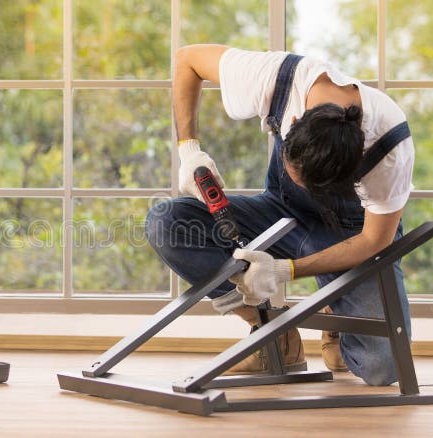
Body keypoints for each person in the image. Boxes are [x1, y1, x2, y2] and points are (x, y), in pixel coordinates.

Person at [145, 44, 414, 386]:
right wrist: (189, 151)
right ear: (295, 121)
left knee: (383, 367)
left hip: (352, 235)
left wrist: (285, 270)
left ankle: (336, 316)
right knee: (166, 223)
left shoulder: (390, 148)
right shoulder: (279, 79)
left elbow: (375, 239)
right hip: (280, 213)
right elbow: (188, 59)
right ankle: (271, 332)